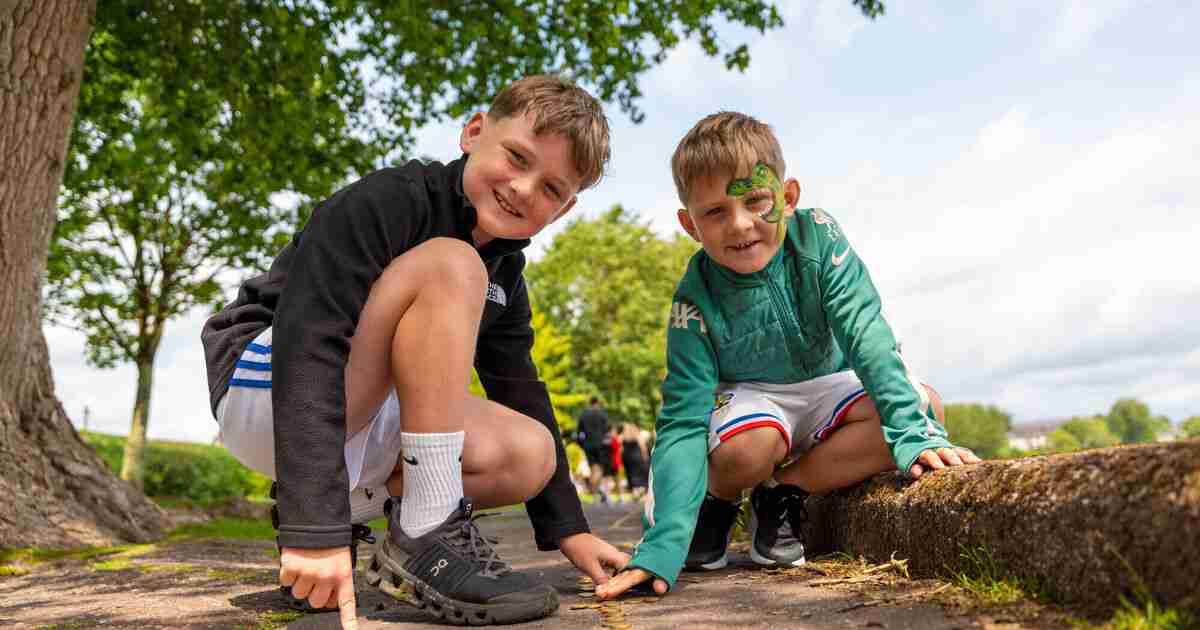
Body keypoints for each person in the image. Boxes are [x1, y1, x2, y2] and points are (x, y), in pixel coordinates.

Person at [202, 75, 629, 628]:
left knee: (532, 448)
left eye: (551, 188)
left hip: (357, 415)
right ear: (473, 132)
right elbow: (311, 340)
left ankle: (375, 517)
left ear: (565, 209)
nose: (524, 189)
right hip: (269, 385)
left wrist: (570, 530)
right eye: (517, 158)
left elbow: (518, 388)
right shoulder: (390, 200)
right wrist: (314, 529)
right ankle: (427, 526)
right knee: (451, 262)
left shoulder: (505, 272)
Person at [596, 112, 980, 600]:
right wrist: (661, 543)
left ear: (788, 197)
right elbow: (682, 420)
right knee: (750, 445)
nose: (740, 225)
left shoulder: (819, 238)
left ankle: (784, 491)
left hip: (831, 381)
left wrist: (911, 431)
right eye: (715, 212)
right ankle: (717, 503)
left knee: (925, 409)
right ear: (689, 224)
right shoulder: (694, 300)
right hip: (750, 399)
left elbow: (866, 332)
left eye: (756, 201)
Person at [576, 397, 611, 501]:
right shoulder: (602, 415)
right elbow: (607, 431)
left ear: (590, 403)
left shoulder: (583, 415)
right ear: (598, 403)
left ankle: (595, 492)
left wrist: (582, 444)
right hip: (600, 445)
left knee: (593, 467)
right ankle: (594, 490)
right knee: (599, 467)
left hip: (588, 444)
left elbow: (579, 432)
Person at [620, 423, 650, 500]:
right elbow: (642, 446)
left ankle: (635, 492)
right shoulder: (637, 435)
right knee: (639, 474)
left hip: (627, 457)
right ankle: (639, 492)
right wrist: (645, 456)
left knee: (631, 474)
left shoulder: (624, 436)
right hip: (636, 457)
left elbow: (621, 447)